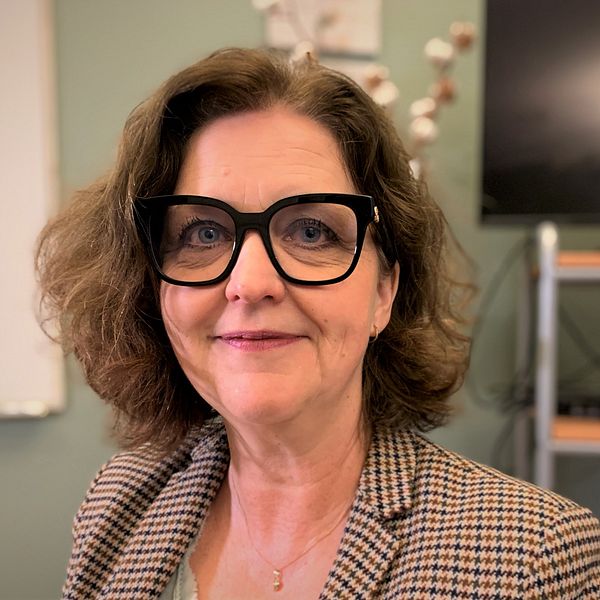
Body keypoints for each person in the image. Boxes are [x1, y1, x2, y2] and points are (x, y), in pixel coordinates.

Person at [37, 47, 599, 600]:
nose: (250, 283)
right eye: (203, 233)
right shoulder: (118, 504)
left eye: (311, 231)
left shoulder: (535, 560)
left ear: (384, 291)